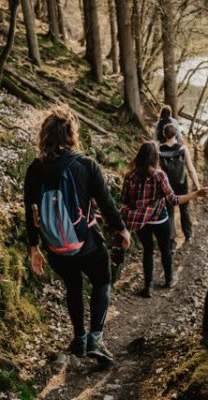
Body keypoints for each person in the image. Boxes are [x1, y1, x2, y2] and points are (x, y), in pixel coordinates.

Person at [24, 107, 131, 364]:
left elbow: (30, 210)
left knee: (72, 286)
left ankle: (79, 340)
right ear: (71, 134)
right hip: (86, 243)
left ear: (45, 135)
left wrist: (34, 248)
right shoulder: (86, 165)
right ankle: (96, 339)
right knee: (102, 280)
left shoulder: (34, 169)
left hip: (55, 248)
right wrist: (122, 230)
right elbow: (106, 203)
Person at [121, 141, 208, 298]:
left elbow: (124, 200)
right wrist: (196, 194)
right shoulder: (159, 175)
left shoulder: (129, 175)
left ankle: (147, 287)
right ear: (155, 157)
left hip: (140, 222)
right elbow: (174, 200)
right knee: (165, 250)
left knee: (147, 251)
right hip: (159, 220)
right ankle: (169, 279)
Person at [159, 124, 202, 247]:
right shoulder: (183, 149)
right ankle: (188, 235)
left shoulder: (159, 150)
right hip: (182, 184)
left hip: (166, 185)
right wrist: (197, 186)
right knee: (184, 209)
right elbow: (190, 169)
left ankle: (171, 241)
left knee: (170, 212)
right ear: (176, 134)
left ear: (164, 134)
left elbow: (157, 170)